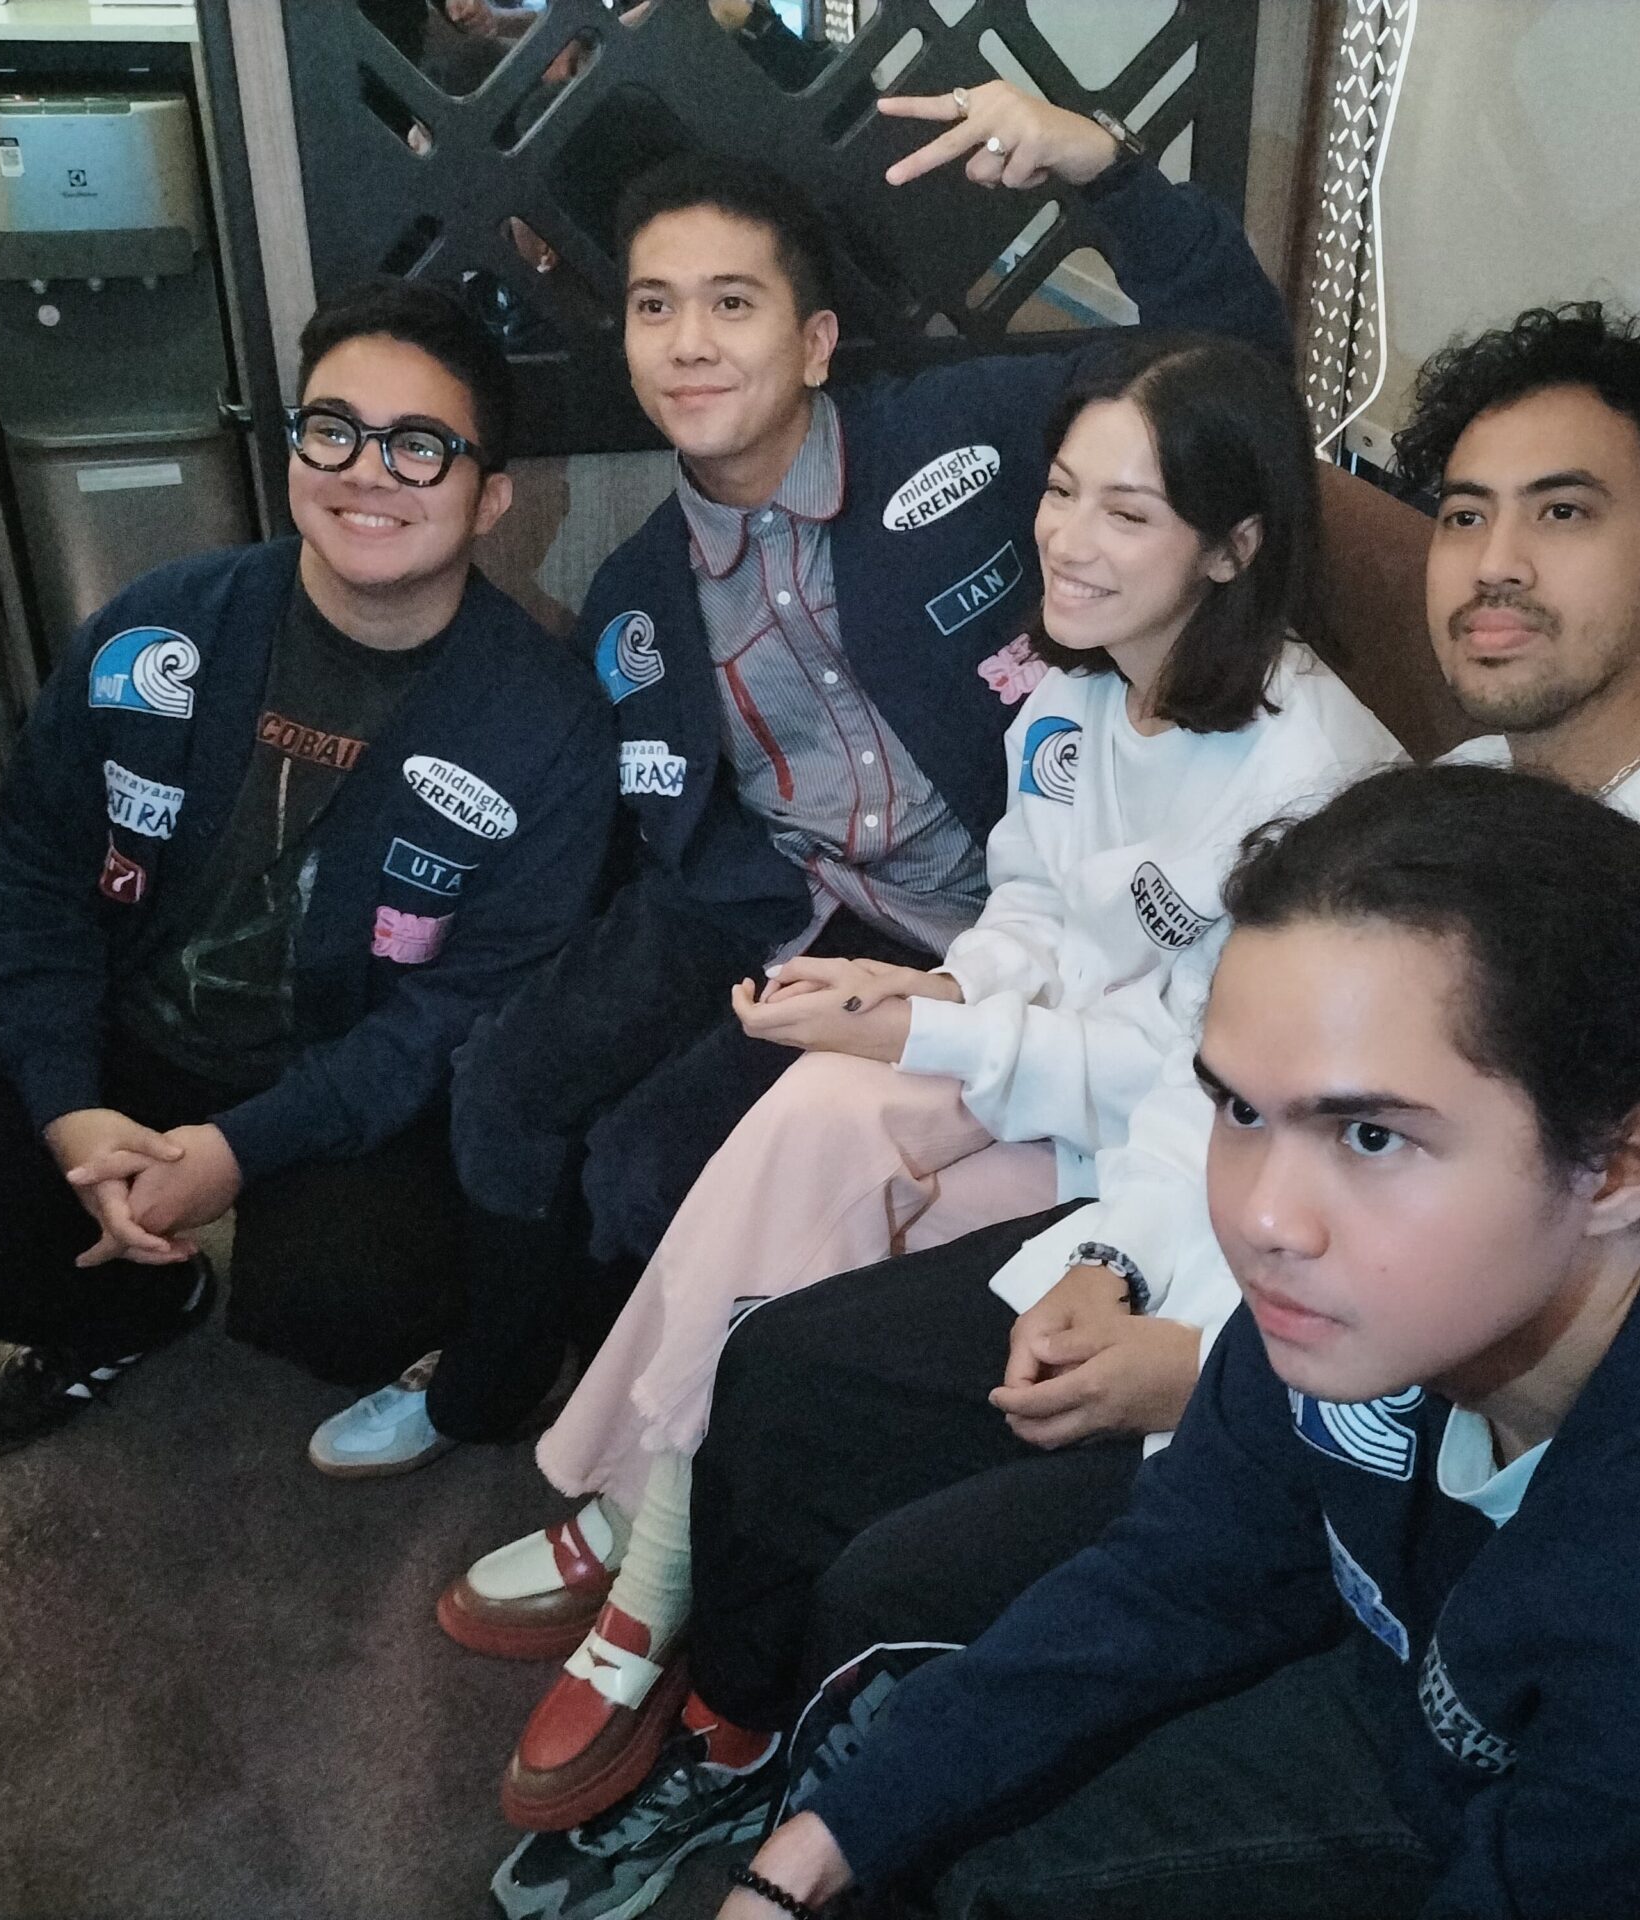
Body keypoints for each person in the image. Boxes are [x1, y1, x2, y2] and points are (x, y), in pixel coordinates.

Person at [642, 298, 1640, 1831]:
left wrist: (1206, 1377)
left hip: (1425, 1493)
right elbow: (1235, 1085)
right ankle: (735, 1757)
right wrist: (1119, 1263)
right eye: (1465, 513)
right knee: (794, 1377)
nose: (1496, 562)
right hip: (1226, 1293)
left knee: (900, 1584)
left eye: (1564, 514)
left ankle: (833, 1823)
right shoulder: (1462, 804)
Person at [717, 763, 1640, 1920]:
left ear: (1618, 1164)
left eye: (1370, 1135)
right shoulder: (1394, 1299)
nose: (1263, 1218)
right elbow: (1178, 1576)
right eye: (1239, 1110)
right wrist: (806, 1861)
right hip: (1460, 1711)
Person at [460, 333, 1399, 1869]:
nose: (1066, 539)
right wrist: (925, 1003)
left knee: (850, 1111)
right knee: (821, 1101)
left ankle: (647, 1536)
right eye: (1060, 491)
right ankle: (658, 1520)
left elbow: (1209, 1082)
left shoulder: (1310, 778)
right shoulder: (1076, 691)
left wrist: (949, 1035)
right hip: (1074, 1090)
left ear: (1233, 550)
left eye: (1127, 513)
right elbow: (1025, 909)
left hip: (1175, 1159)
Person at [306, 81, 1291, 1469]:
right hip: (777, 897)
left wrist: (1107, 170)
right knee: (508, 1082)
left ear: (815, 340)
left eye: (732, 303)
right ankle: (497, 1378)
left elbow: (1231, 371)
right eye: (653, 307)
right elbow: (632, 802)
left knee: (647, 1165)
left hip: (999, 927)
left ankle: (702, 1437)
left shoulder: (968, 435)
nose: (688, 342)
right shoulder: (640, 591)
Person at [0, 279, 615, 1455]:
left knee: (338, 1307)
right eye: (332, 429)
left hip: (347, 1064)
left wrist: (243, 1150)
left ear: (490, 497)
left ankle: (252, 1249)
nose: (366, 471)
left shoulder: (546, 724)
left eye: (420, 446)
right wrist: (66, 1105)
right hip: (127, 1030)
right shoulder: (163, 625)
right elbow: (34, 875)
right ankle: (136, 1305)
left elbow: (463, 1008)